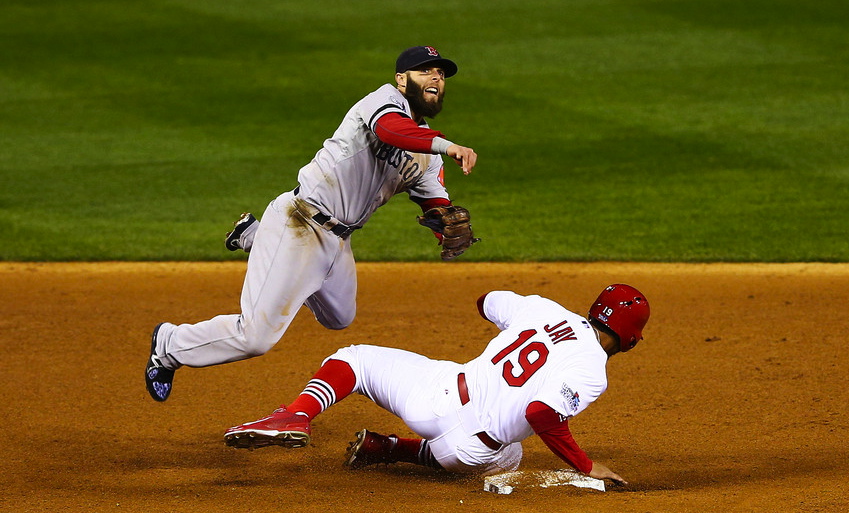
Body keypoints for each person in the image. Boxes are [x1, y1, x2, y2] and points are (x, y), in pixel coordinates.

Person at [145, 46, 480, 402]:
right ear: (401, 80)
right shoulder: (382, 102)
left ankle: (256, 239)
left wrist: (445, 225)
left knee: (339, 317)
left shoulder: (426, 154)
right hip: (301, 220)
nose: (436, 78)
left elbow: (436, 203)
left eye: (441, 74)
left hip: (338, 241)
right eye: (426, 71)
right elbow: (391, 130)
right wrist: (446, 145)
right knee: (255, 337)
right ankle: (169, 344)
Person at [223, 285, 650, 483]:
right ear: (631, 336)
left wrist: (518, 319)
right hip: (464, 451)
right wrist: (586, 466)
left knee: (352, 360)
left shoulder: (544, 309)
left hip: (436, 396)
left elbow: (487, 301)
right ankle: (392, 449)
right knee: (510, 455)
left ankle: (296, 414)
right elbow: (540, 413)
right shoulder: (593, 372)